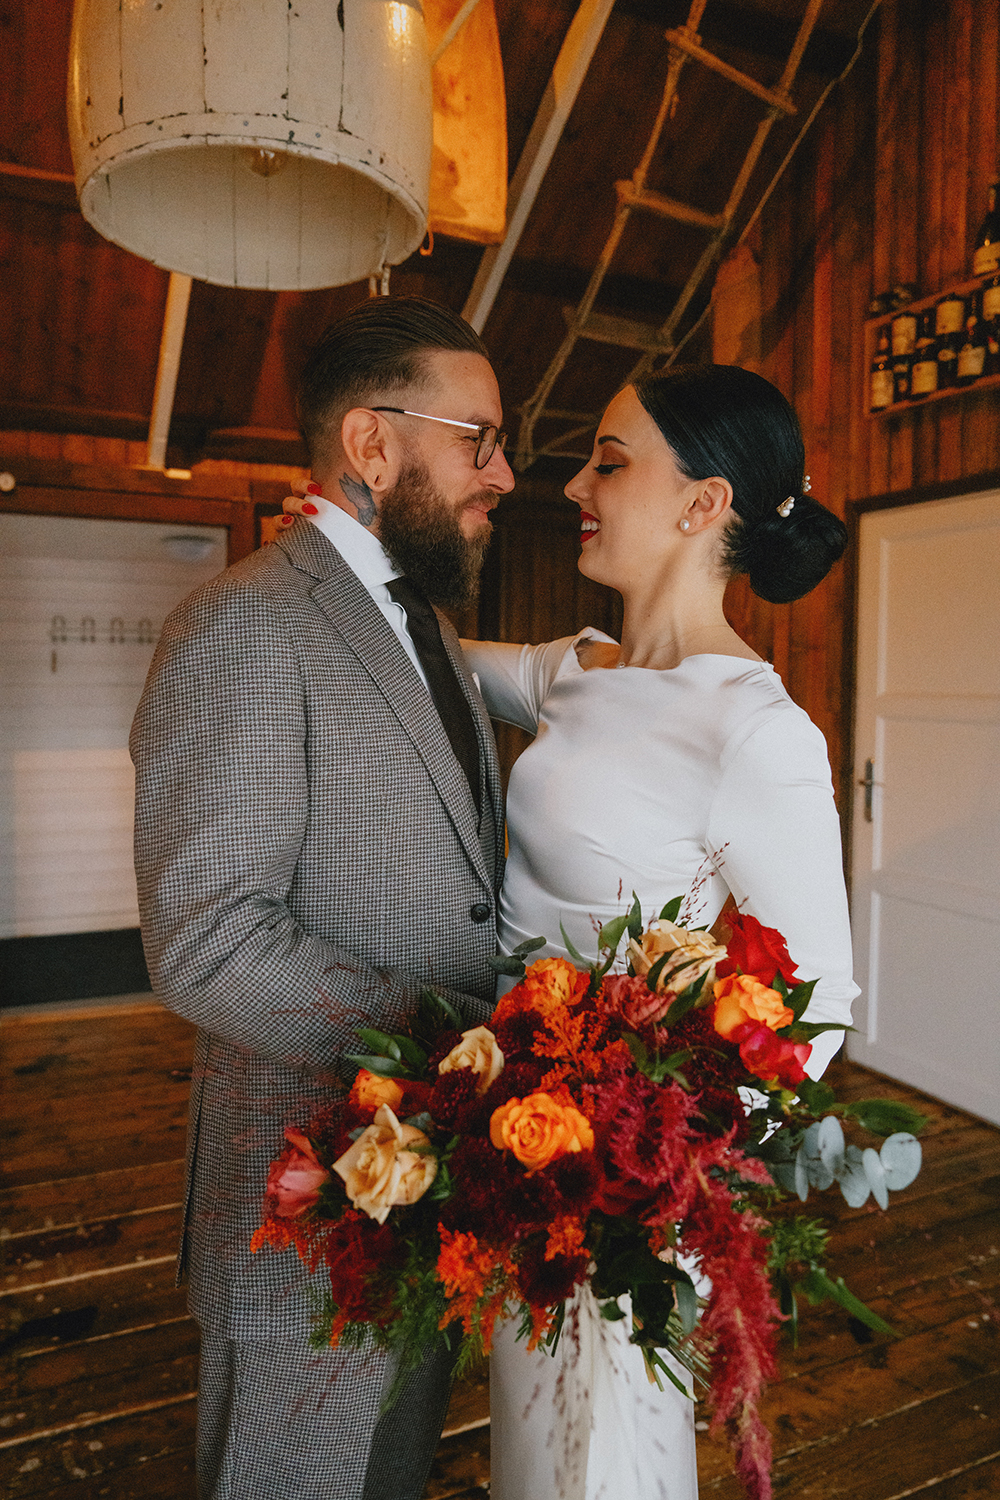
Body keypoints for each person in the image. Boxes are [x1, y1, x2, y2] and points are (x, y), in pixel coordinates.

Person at [282, 362, 858, 1498]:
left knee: (597, 1459)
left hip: (619, 1182)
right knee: (531, 1442)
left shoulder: (755, 732)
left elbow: (820, 1008)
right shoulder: (578, 669)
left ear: (704, 505)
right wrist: (329, 538)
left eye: (610, 459)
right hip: (510, 1138)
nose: (573, 483)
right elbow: (419, 665)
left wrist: (649, 1148)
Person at [130, 296, 514, 1500]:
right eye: (480, 440)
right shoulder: (243, 625)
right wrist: (458, 1046)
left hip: (425, 1195)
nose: (502, 475)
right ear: (372, 444)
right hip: (295, 1201)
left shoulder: (429, 624)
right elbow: (207, 942)